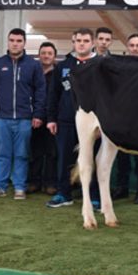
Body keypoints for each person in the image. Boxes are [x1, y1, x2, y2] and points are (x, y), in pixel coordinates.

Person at [0, 28, 46, 200]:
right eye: (12, 40)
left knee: (21, 154)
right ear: (8, 42)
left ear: (24, 43)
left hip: (25, 118)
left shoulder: (33, 65)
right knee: (3, 154)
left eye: (19, 41)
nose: (15, 44)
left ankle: (19, 187)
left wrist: (38, 114)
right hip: (1, 118)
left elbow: (41, 91)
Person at [46, 28, 100, 208]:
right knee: (64, 159)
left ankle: (94, 196)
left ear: (92, 43)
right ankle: (64, 194)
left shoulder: (101, 65)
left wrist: (103, 124)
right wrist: (51, 118)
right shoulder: (63, 66)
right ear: (73, 42)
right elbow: (53, 94)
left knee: (93, 159)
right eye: (78, 41)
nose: (82, 44)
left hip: (93, 124)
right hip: (66, 121)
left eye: (86, 41)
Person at [113, 33, 138, 204]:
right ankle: (122, 188)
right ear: (127, 47)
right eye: (132, 45)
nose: (135, 48)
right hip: (122, 117)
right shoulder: (120, 66)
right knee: (122, 155)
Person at [27, 42, 59, 195]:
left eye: (49, 53)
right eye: (43, 53)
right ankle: (34, 182)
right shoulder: (33, 72)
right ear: (39, 55)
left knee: (52, 152)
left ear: (54, 56)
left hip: (53, 119)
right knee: (35, 151)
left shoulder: (58, 74)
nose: (46, 56)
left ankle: (50, 183)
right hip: (35, 117)